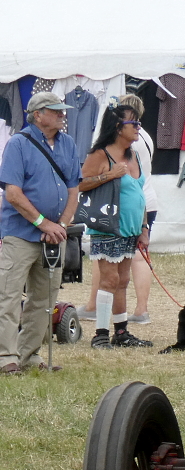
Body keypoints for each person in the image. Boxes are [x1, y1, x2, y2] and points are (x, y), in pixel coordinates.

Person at [0, 92, 81, 374]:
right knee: (9, 297)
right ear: (38, 115)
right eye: (56, 111)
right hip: (20, 235)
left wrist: (62, 224)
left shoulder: (68, 144)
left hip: (54, 235)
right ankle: (5, 357)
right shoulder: (18, 144)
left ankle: (29, 355)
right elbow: (13, 193)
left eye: (62, 110)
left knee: (45, 299)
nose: (63, 115)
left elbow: (74, 189)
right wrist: (44, 224)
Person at [77, 94, 157, 325]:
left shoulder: (134, 156)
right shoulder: (100, 154)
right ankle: (102, 333)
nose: (138, 128)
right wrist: (108, 175)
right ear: (118, 127)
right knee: (109, 280)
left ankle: (121, 331)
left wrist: (143, 227)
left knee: (122, 281)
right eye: (134, 123)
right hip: (108, 226)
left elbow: (139, 195)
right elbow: (81, 184)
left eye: (139, 123)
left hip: (130, 228)